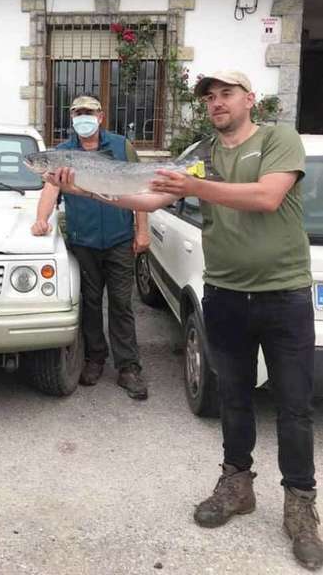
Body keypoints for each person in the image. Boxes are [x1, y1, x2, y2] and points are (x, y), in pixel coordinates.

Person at [43, 72, 323, 570]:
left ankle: (301, 507)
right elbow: (150, 198)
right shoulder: (204, 152)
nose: (217, 103)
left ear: (248, 99)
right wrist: (85, 188)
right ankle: (237, 485)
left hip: (284, 295)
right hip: (226, 293)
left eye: (226, 94)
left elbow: (267, 197)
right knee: (233, 398)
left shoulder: (278, 138)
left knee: (294, 406)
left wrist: (197, 185)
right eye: (210, 97)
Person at [32, 95, 149, 400]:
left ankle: (128, 367)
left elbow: (139, 187)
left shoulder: (122, 146)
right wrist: (40, 220)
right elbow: (50, 190)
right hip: (83, 241)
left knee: (123, 304)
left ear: (100, 116)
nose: (83, 117)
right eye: (78, 113)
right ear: (72, 118)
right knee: (91, 303)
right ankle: (95, 359)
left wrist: (143, 230)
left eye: (89, 112)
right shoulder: (61, 154)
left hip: (120, 239)